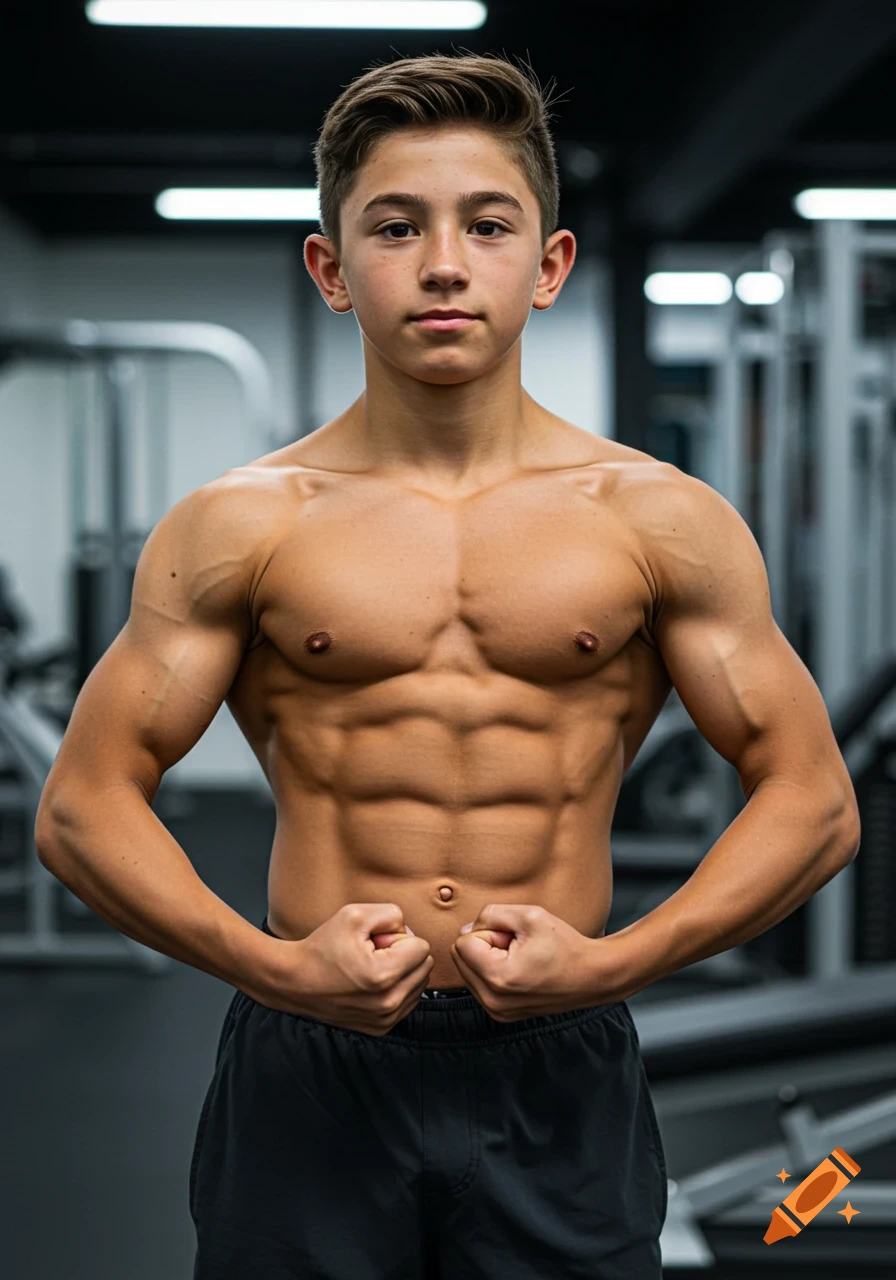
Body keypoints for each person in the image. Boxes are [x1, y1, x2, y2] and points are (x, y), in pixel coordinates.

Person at [35, 51, 860, 1280]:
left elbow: (813, 799)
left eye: (486, 224)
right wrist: (274, 969)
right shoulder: (241, 523)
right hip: (307, 1062)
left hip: (557, 1060)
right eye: (393, 225)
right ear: (329, 268)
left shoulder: (658, 516)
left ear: (547, 264)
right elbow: (82, 807)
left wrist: (612, 961)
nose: (440, 263)